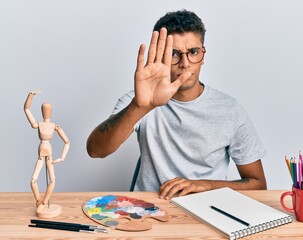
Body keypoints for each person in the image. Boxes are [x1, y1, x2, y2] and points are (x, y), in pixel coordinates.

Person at [87, 9, 267, 200]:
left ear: (203, 56)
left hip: (208, 211)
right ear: (160, 56)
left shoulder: (230, 110)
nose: (184, 63)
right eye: (174, 54)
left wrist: (205, 185)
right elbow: (96, 150)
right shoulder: (140, 99)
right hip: (149, 209)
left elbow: (258, 184)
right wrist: (140, 107)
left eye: (193, 52)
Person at [24, 91, 70, 214]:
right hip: (41, 155)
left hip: (49, 156)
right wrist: (30, 96)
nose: (46, 111)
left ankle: (44, 202)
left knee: (52, 180)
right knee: (33, 180)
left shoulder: (55, 126)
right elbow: (26, 109)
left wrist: (62, 157)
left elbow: (67, 141)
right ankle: (39, 200)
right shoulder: (39, 124)